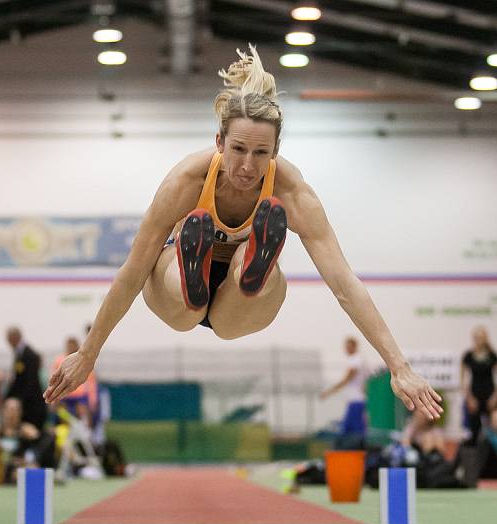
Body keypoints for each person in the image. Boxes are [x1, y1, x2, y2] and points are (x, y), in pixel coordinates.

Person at [44, 45, 442, 423]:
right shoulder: (186, 181)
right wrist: (88, 353)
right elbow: (131, 272)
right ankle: (190, 273)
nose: (248, 167)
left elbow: (344, 284)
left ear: (276, 150)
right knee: (173, 286)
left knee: (254, 285)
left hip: (240, 302)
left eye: (260, 153)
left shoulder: (291, 192)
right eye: (237, 150)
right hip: (176, 293)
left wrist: (399, 367)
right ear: (219, 142)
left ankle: (254, 263)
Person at [320, 337, 367, 438]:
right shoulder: (355, 360)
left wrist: (328, 392)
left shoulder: (356, 360)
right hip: (353, 401)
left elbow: (347, 379)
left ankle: (361, 452)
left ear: (354, 346)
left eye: (349, 346)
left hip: (356, 401)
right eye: (346, 346)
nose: (346, 349)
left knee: (355, 431)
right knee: (349, 430)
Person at [5, 326, 47, 431]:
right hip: (26, 402)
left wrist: (20, 400)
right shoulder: (19, 354)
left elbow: (30, 381)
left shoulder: (29, 355)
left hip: (32, 405)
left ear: (14, 338)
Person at [461, 326, 497, 445]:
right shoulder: (468, 356)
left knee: (492, 426)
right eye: (476, 337)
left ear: (485, 338)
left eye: (481, 337)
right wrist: (469, 398)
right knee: (474, 429)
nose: (478, 340)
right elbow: (464, 379)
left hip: (490, 395)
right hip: (474, 395)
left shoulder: (492, 356)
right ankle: (475, 459)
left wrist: (495, 397)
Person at [51, 336, 98, 426]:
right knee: (63, 415)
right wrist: (53, 398)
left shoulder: (84, 361)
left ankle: (85, 434)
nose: (71, 348)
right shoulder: (60, 361)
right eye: (69, 346)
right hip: (64, 395)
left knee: (83, 413)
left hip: (80, 395)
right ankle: (65, 433)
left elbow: (91, 383)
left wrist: (93, 400)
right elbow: (54, 379)